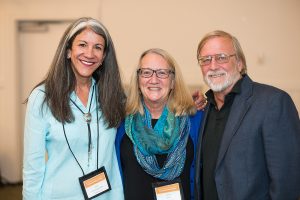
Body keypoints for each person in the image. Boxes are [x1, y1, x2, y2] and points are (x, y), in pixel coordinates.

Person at [23, 17, 126, 200]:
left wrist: (186, 102)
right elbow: (33, 167)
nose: (89, 53)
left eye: (98, 47)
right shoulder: (42, 98)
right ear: (68, 51)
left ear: (103, 58)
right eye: (82, 44)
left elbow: (150, 106)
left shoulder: (113, 96)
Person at [194, 30, 300, 200]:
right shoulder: (205, 109)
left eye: (221, 57)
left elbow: (287, 184)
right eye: (206, 60)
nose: (213, 66)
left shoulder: (273, 102)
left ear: (240, 63)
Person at [115, 48, 204, 200]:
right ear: (138, 80)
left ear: (173, 82)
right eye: (146, 72)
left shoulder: (195, 121)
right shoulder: (121, 123)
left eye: (162, 73)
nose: (154, 79)